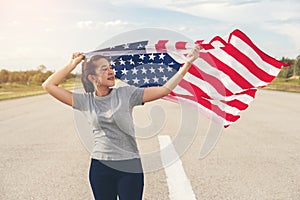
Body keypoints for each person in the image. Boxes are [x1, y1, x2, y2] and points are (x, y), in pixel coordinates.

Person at [42, 45, 200, 200]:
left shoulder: (127, 94)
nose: (110, 71)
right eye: (104, 69)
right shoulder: (86, 101)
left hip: (129, 166)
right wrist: (72, 64)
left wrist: (187, 64)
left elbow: (164, 89)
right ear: (92, 77)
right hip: (100, 166)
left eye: (110, 67)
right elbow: (48, 85)